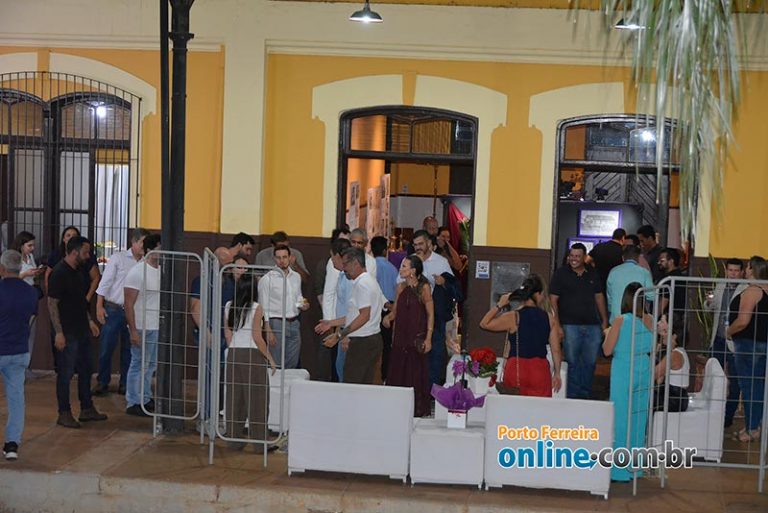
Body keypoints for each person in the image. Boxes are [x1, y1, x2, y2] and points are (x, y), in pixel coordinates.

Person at [48, 236, 108, 428]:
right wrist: (58, 332)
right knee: (65, 373)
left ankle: (87, 408)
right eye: (85, 252)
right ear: (75, 252)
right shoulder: (59, 273)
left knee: (86, 369)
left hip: (81, 329)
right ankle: (64, 412)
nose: (88, 256)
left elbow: (80, 301)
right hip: (67, 332)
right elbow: (52, 304)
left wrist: (89, 321)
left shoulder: (79, 272)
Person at [602, 282, 655, 482]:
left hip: (624, 369)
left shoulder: (620, 321)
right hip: (644, 368)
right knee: (639, 419)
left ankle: (619, 471)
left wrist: (607, 334)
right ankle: (636, 468)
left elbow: (607, 350)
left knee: (621, 419)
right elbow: (654, 346)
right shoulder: (650, 320)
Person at [479, 275, 563, 397]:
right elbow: (556, 350)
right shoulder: (549, 318)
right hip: (539, 370)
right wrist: (557, 373)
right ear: (538, 294)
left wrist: (500, 304)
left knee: (514, 407)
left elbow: (484, 323)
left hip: (516, 368)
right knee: (539, 407)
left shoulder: (513, 316)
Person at [93, 227, 150, 396]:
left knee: (130, 349)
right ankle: (102, 382)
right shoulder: (118, 258)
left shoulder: (147, 262)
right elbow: (105, 282)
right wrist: (99, 306)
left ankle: (125, 384)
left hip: (134, 311)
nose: (144, 246)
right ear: (134, 242)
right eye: (142, 242)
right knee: (106, 347)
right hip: (114, 309)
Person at [223, 275, 277, 451]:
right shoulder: (256, 308)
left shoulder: (229, 306)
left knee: (235, 398)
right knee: (257, 399)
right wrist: (270, 359)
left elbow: (228, 333)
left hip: (234, 353)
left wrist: (233, 348)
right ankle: (260, 442)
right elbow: (257, 337)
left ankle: (234, 439)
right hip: (252, 354)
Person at [549, 243, 609, 399]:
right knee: (572, 362)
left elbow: (599, 297)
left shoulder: (593, 273)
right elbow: (553, 300)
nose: (573, 259)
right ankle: (574, 396)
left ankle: (585, 394)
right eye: (571, 256)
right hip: (569, 326)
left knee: (590, 362)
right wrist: (557, 325)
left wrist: (604, 320)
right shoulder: (560, 274)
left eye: (577, 256)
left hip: (593, 325)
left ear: (584, 257)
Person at [318, 247, 384, 384]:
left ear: (356, 263)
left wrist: (339, 335)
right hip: (369, 340)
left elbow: (364, 316)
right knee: (363, 385)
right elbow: (355, 315)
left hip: (362, 342)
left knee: (352, 384)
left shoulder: (363, 284)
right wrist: (331, 323)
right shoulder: (367, 281)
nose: (343, 268)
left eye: (346, 264)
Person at [382, 255, 434, 417]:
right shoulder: (400, 288)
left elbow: (430, 314)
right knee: (398, 370)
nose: (401, 269)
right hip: (400, 337)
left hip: (415, 336)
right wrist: (388, 318)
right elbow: (396, 310)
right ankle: (396, 408)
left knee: (415, 371)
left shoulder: (424, 288)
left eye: (404, 266)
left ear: (413, 270)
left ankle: (416, 408)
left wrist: (428, 338)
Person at [0, 250, 39, 460]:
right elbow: (31, 319)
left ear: (2, 269)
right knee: (16, 399)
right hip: (19, 350)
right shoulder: (31, 293)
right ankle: (12, 445)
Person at [726, 256, 768, 443]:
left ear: (751, 269)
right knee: (757, 387)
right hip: (761, 344)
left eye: (748, 267)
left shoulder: (752, 290)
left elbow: (743, 321)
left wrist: (729, 331)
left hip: (748, 345)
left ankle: (752, 428)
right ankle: (754, 425)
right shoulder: (765, 289)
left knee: (749, 387)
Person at [123, 234, 161, 417]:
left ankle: (144, 397)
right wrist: (133, 330)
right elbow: (128, 303)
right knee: (139, 363)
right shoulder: (137, 272)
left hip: (155, 325)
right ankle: (133, 401)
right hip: (141, 325)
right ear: (149, 250)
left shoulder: (160, 270)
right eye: (159, 248)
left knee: (150, 364)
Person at [705, 258, 745, 427]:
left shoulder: (746, 288)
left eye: (736, 271)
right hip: (718, 338)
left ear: (742, 272)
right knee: (714, 378)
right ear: (726, 271)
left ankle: (727, 417)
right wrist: (708, 302)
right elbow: (711, 307)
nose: (733, 274)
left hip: (736, 342)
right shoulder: (721, 285)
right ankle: (712, 414)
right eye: (730, 270)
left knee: (735, 382)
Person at [258, 245, 308, 369]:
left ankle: (288, 382)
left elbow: (298, 297)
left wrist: (303, 304)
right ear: (274, 259)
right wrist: (268, 329)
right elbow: (263, 306)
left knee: (293, 361)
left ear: (290, 257)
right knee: (276, 362)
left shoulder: (296, 277)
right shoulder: (267, 279)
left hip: (294, 321)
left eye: (285, 257)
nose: (282, 260)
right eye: (279, 257)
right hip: (276, 322)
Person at [317, 237, 352, 382]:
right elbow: (331, 295)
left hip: (349, 329)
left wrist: (345, 334)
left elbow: (353, 310)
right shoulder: (343, 275)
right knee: (339, 367)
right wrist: (332, 324)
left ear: (339, 256)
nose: (331, 260)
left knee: (344, 370)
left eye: (332, 256)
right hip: (341, 326)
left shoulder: (351, 278)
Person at [11, 232, 44, 366]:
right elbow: (9, 278)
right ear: (21, 245)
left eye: (33, 245)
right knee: (20, 331)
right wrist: (25, 274)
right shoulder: (14, 258)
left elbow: (32, 277)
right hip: (18, 296)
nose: (32, 248)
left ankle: (26, 365)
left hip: (30, 293)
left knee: (30, 331)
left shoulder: (30, 257)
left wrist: (36, 272)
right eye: (29, 245)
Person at [45, 226, 100, 303]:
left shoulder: (87, 256)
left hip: (81, 297)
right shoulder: (56, 255)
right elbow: (48, 275)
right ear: (63, 239)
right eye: (68, 235)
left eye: (74, 235)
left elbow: (96, 277)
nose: (71, 238)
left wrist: (87, 299)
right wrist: (49, 295)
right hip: (60, 299)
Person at [371, 235, 398, 381]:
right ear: (384, 250)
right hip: (389, 309)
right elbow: (397, 288)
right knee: (387, 344)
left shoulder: (370, 267)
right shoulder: (392, 268)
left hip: (372, 308)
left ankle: (372, 374)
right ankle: (384, 376)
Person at [606, 245, 654, 321]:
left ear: (623, 258)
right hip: (636, 319)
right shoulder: (644, 272)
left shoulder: (613, 271)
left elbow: (610, 298)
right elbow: (651, 296)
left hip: (616, 318)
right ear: (638, 258)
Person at [653, 334, 690, 412]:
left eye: (666, 331)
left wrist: (654, 353)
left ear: (674, 336)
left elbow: (653, 375)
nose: (662, 335)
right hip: (677, 399)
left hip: (673, 401)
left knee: (640, 396)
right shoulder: (679, 351)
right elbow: (659, 380)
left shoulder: (675, 355)